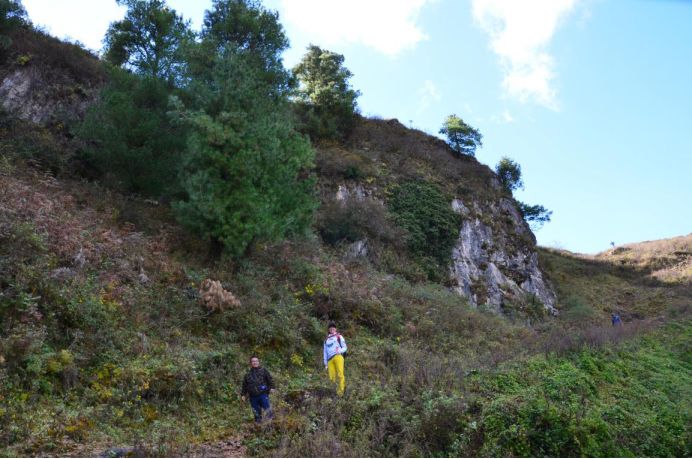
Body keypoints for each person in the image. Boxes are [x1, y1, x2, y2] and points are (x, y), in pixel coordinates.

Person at [240, 356, 274, 423]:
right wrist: (243, 394)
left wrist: (272, 387)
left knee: (268, 411)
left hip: (263, 394)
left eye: (256, 361)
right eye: (253, 361)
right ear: (250, 363)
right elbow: (244, 386)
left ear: (258, 362)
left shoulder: (264, 371)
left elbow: (270, 379)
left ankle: (271, 425)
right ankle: (258, 427)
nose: (255, 362)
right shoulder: (247, 374)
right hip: (253, 397)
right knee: (256, 414)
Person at [323, 322, 347, 396]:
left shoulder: (339, 337)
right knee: (331, 377)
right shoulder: (326, 340)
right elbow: (325, 352)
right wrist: (325, 364)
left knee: (340, 374)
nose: (332, 328)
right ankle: (334, 393)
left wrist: (339, 351)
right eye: (330, 328)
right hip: (329, 360)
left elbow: (345, 347)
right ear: (329, 330)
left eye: (333, 327)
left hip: (338, 356)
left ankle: (341, 393)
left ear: (335, 329)